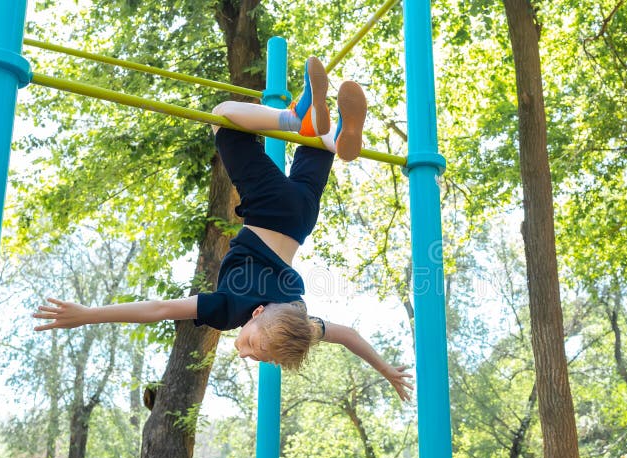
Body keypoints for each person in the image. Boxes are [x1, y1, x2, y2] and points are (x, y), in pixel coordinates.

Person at [33, 57, 413, 401]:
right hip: (269, 210)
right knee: (223, 120)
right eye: (251, 344)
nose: (243, 350)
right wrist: (87, 314)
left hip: (302, 218)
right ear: (258, 311)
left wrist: (385, 370)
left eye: (255, 354)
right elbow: (159, 308)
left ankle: (332, 137)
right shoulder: (229, 310)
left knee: (315, 146)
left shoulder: (299, 321)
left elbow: (346, 336)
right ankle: (294, 117)